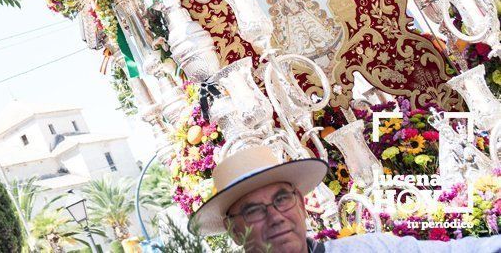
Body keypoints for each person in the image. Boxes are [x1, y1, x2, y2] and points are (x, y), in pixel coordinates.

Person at [188, 145, 501, 252]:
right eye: (254, 210)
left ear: (300, 203)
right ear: (233, 230)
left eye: (282, 198)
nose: (276, 216)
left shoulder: (369, 249)